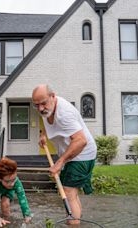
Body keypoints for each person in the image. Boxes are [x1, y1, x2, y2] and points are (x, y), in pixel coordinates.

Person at [32, 84, 97, 225]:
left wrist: (59, 163)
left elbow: (80, 141)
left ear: (53, 96)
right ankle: (77, 221)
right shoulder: (47, 109)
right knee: (72, 193)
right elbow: (46, 120)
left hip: (82, 154)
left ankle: (73, 224)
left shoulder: (64, 114)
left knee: (67, 192)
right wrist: (44, 135)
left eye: (43, 103)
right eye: (36, 105)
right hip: (72, 154)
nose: (40, 108)